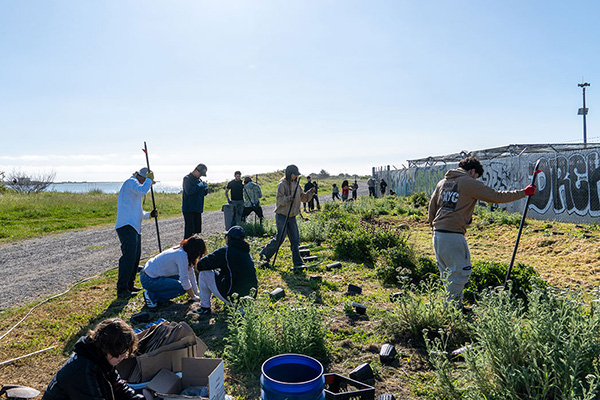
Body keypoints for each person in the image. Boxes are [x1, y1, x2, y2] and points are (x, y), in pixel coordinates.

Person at [428, 156, 536, 306]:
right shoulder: (468, 182)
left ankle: (452, 305)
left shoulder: (443, 182)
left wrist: (433, 228)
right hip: (453, 234)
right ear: (473, 171)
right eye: (477, 176)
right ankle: (452, 309)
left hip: (438, 234)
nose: (476, 179)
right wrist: (523, 192)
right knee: (460, 272)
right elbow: (495, 196)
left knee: (447, 272)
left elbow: (432, 207)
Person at [42, 318, 144, 400]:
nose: (124, 356)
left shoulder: (100, 358)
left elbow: (119, 387)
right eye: (121, 352)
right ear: (109, 348)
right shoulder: (82, 371)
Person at [259, 165, 315, 267]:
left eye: (297, 175)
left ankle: (298, 263)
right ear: (290, 174)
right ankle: (264, 254)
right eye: (295, 174)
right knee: (280, 238)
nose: (296, 176)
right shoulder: (282, 184)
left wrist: (310, 193)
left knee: (295, 240)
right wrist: (288, 198)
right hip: (282, 215)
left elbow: (304, 198)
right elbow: (279, 200)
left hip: (292, 216)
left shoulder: (298, 185)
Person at [195, 226, 258, 316]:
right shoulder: (246, 252)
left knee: (204, 274)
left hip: (233, 297)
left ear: (229, 238)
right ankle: (241, 307)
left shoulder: (226, 251)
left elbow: (201, 264)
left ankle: (204, 307)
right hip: (250, 297)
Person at [115, 167, 156, 298]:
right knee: (128, 258)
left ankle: (129, 285)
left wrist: (149, 214)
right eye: (146, 180)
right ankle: (122, 289)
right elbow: (142, 190)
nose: (148, 185)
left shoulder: (136, 188)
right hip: (126, 225)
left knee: (135, 257)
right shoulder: (131, 182)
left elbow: (138, 212)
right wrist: (149, 180)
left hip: (134, 227)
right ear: (142, 177)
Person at [140, 236, 206, 309]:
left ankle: (156, 294)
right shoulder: (182, 255)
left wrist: (196, 292)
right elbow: (184, 280)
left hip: (150, 274)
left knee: (185, 285)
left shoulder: (183, 250)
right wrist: (193, 297)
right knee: (183, 288)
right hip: (148, 279)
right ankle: (152, 295)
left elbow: (190, 273)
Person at [182, 163, 208, 239]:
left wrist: (205, 188)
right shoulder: (187, 178)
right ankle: (186, 247)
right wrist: (199, 185)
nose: (200, 176)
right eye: (200, 174)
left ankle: (195, 248)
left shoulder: (199, 180)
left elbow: (203, 193)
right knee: (190, 231)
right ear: (196, 171)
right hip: (189, 209)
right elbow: (189, 191)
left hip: (198, 208)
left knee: (197, 230)